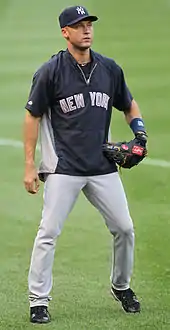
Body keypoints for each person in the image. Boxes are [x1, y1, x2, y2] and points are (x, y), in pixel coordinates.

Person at [23, 5, 147, 324]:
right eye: (79, 25)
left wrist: (140, 133)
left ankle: (122, 286)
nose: (87, 29)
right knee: (48, 232)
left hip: (102, 165)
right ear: (65, 32)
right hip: (64, 167)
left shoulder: (109, 69)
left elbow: (128, 103)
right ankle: (38, 300)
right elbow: (32, 115)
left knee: (125, 228)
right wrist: (28, 165)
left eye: (89, 23)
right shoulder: (50, 71)